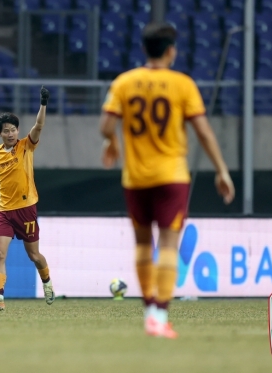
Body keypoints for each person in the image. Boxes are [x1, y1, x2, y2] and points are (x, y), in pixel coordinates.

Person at [99, 22, 235, 338]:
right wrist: (221, 170)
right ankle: (160, 314)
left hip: (135, 178)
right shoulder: (182, 85)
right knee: (169, 244)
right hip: (172, 176)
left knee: (143, 244)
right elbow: (203, 130)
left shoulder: (124, 82)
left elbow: (106, 125)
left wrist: (113, 143)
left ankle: (149, 311)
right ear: (171, 51)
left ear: (145, 49)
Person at [0, 86, 55, 311]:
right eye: (6, 131)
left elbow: (39, 125)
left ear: (18, 130)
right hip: (4, 210)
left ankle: (47, 281)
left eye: (13, 130)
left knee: (34, 256)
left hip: (26, 208)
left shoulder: (26, 146)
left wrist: (43, 103)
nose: (11, 134)